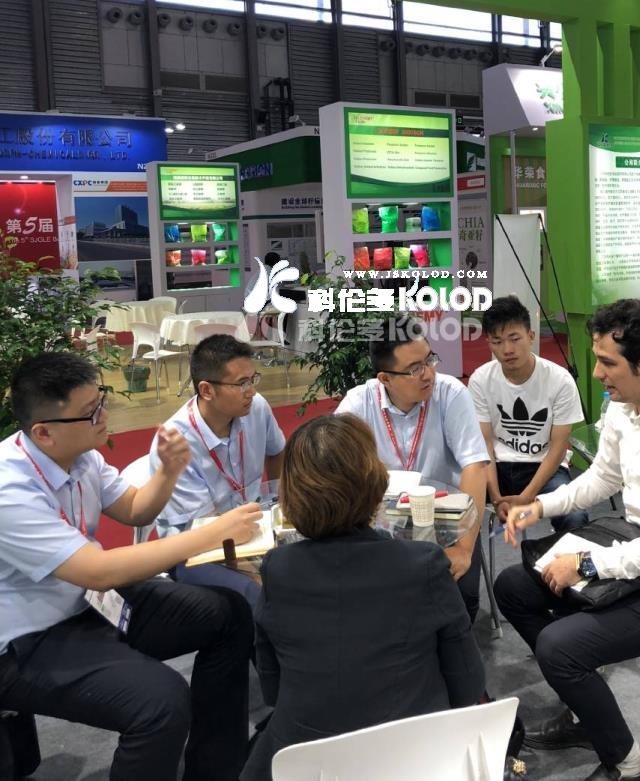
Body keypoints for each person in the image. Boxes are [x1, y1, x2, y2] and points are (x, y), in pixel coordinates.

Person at [494, 300, 640, 781]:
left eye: (607, 363)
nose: (597, 374)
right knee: (512, 588)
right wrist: (539, 506)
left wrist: (586, 565)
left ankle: (628, 766)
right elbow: (602, 478)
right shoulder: (624, 405)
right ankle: (583, 707)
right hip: (637, 557)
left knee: (560, 648)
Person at [0, 352, 262, 781]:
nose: (104, 415)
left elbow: (136, 510)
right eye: (91, 411)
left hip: (86, 605)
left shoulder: (82, 455)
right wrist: (212, 533)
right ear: (43, 432)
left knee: (228, 613)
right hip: (26, 641)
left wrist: (168, 472)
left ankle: (216, 768)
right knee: (161, 702)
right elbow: (97, 571)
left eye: (101, 400)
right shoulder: (9, 489)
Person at [242, 413, 487, 781]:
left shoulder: (278, 569)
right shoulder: (422, 564)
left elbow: (273, 688)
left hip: (309, 759)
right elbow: (467, 683)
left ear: (292, 494)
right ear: (375, 482)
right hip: (414, 756)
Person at [336, 316, 490, 622]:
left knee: (461, 598)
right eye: (414, 369)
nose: (428, 374)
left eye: (429, 360)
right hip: (381, 522)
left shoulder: (450, 393)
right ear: (385, 379)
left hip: (445, 519)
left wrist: (464, 548)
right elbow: (330, 465)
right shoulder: (359, 403)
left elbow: (475, 465)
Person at [150, 334, 285, 605]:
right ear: (207, 390)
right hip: (196, 549)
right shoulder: (178, 442)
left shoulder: (256, 408)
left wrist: (278, 500)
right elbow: (200, 531)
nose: (251, 391)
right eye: (242, 383)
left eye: (253, 379)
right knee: (258, 593)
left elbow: (276, 450)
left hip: (252, 527)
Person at [468, 296, 587, 532]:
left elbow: (558, 448)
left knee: (575, 516)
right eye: (497, 341)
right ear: (489, 343)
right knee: (456, 507)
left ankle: (560, 557)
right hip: (496, 467)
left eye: (515, 339)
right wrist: (496, 497)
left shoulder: (560, 380)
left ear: (531, 336)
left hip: (545, 468)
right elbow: (485, 444)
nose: (507, 349)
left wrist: (527, 496)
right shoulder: (480, 380)